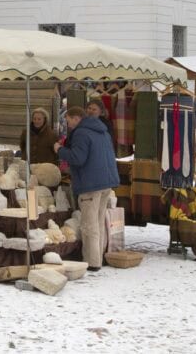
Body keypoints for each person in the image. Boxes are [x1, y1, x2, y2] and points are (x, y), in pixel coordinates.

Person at [55, 103, 120, 272]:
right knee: (98, 222)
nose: (68, 126)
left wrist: (60, 150)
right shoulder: (102, 130)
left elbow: (77, 158)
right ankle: (97, 258)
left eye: (69, 122)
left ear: (77, 119)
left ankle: (92, 262)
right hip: (106, 182)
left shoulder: (82, 133)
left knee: (89, 224)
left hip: (90, 184)